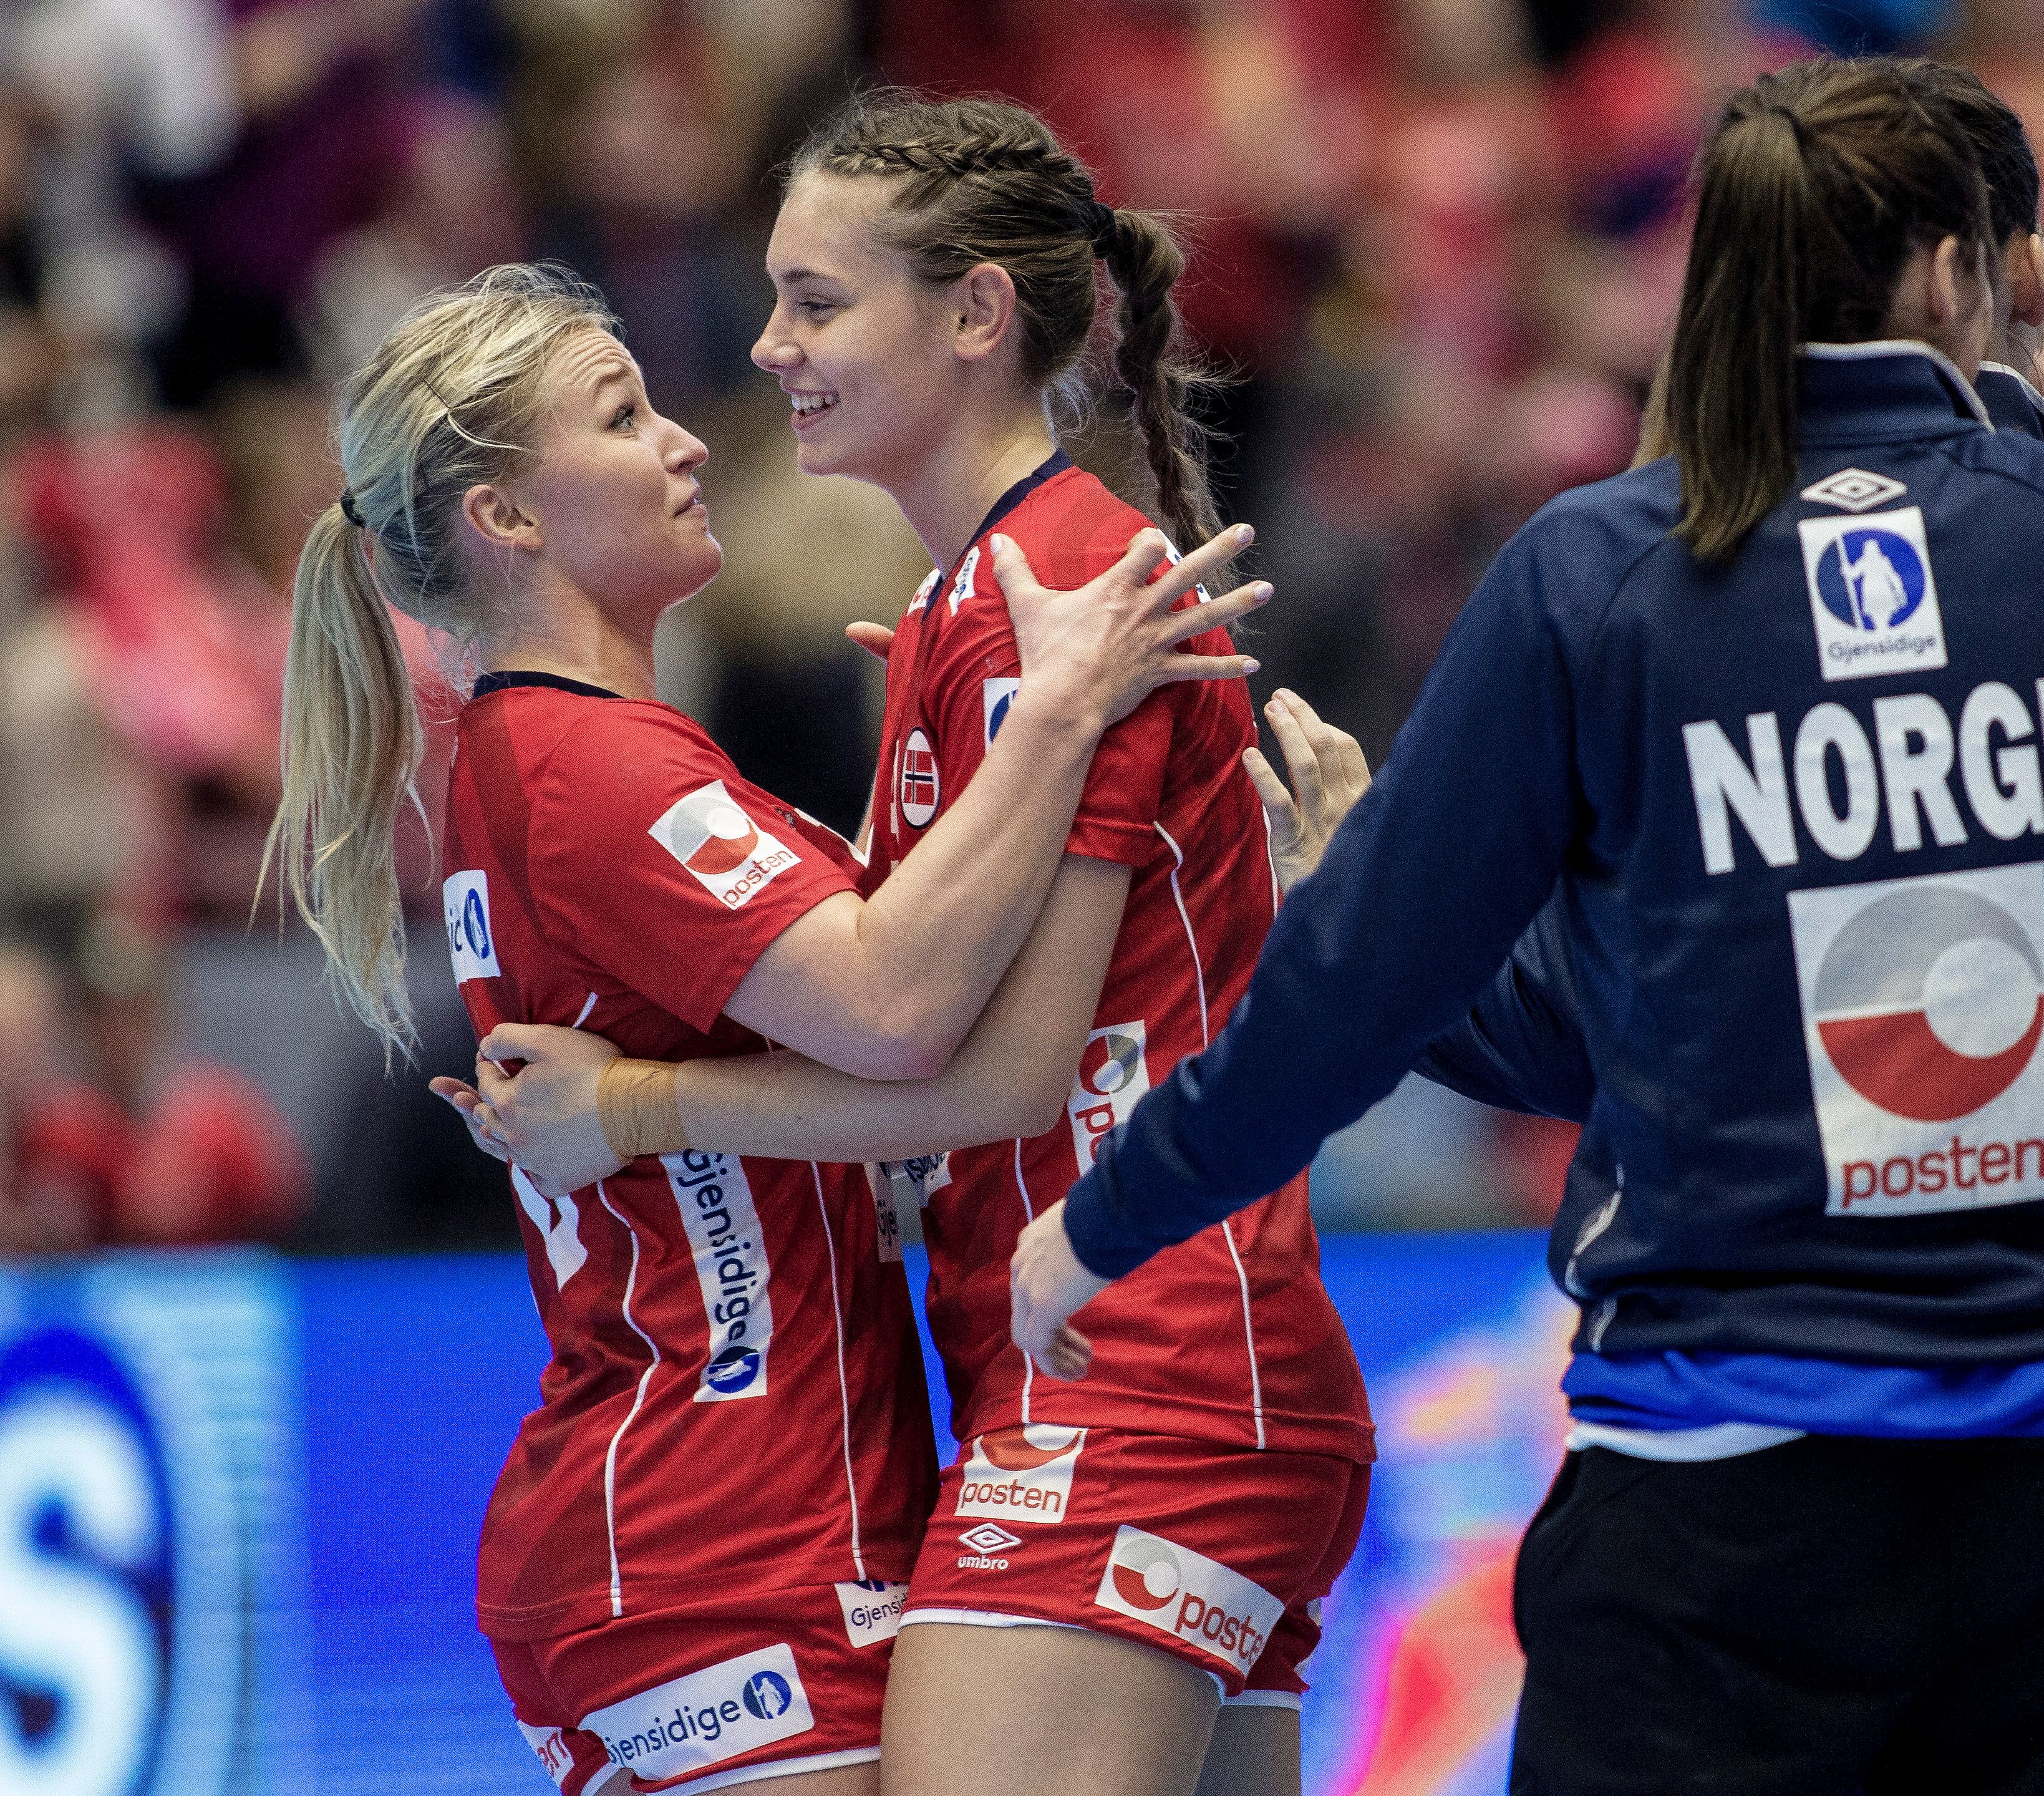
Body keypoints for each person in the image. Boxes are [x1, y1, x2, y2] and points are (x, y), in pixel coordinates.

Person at [996, 55, 2044, 1796]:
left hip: (1713, 1497)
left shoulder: (1599, 570)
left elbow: (1357, 988)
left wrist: (1117, 1209)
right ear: (1962, 274)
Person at [458, 92, 1375, 1796]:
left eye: (815, 301)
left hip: (1138, 1372)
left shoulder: (1052, 594)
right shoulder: (982, 605)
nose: (767, 347)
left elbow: (1001, 1071)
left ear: (974, 316)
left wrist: (636, 1105)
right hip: (1134, 1365)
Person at [268, 262, 1265, 1796]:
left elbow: (882, 1014)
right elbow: (903, 1014)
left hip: (736, 1505)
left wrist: (963, 741)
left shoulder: (591, 758)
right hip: (716, 1522)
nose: (684, 440)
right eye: (621, 417)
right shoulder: (588, 770)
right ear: (506, 518)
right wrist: (1060, 712)